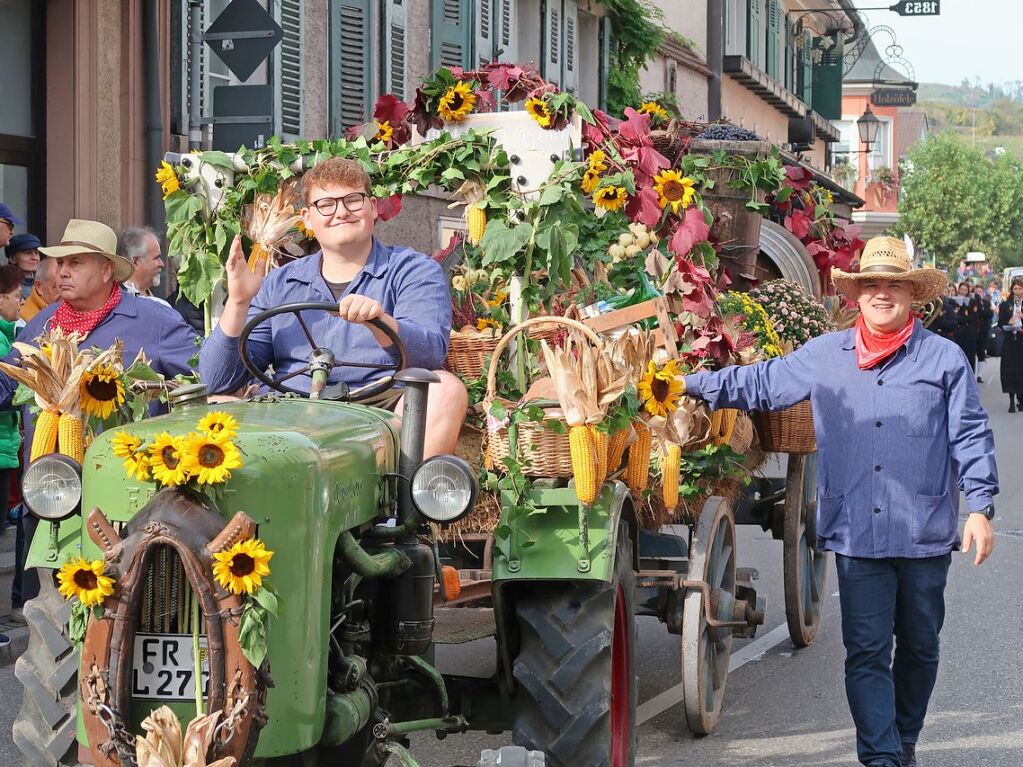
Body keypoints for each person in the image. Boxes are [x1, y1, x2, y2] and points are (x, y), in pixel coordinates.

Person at [680, 236, 997, 767]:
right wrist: (687, 384)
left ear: (912, 296)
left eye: (892, 285)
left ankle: (905, 739)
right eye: (871, 284)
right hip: (857, 532)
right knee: (868, 653)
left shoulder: (943, 360)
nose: (881, 294)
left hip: (923, 533)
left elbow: (970, 432)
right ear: (857, 295)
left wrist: (981, 507)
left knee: (920, 649)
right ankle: (882, 756)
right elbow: (761, 383)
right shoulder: (825, 356)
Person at [198, 157, 466, 457]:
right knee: (212, 406)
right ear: (308, 218)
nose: (341, 211)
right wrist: (238, 302)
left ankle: (405, 499)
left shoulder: (414, 270)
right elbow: (216, 381)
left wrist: (379, 322)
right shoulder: (279, 283)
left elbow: (429, 354)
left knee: (445, 389)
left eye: (353, 200)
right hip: (291, 407)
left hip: (378, 407)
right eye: (326, 204)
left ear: (373, 208)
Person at [0, 219, 200, 608]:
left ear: (107, 269)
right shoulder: (43, 324)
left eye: (76, 262)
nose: (63, 272)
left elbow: (201, 376)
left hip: (131, 502)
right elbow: (10, 386)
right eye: (61, 263)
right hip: (54, 499)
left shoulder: (153, 322)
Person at [118, 226, 170, 307]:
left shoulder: (158, 303)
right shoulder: (119, 303)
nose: (161, 264)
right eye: (156, 258)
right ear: (135, 262)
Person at [998, 277, 1023, 412]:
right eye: (1015, 289)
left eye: (1020, 289)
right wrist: (1009, 321)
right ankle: (1011, 400)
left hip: (1021, 342)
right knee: (1010, 370)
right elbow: (1001, 323)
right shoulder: (1005, 305)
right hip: (1010, 342)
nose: (1017, 291)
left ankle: (1021, 398)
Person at [950, 281, 983, 373]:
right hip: (958, 332)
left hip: (970, 333)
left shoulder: (972, 301)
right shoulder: (953, 301)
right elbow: (952, 315)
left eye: (965, 289)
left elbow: (973, 316)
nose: (963, 291)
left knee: (970, 356)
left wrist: (962, 318)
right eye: (961, 289)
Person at [20, 256, 59, 323]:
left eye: (67, 287)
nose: (65, 294)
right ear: (39, 287)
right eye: (57, 288)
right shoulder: (25, 320)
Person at [6, 232, 42, 299]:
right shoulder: (5, 285)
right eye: (28, 253)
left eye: (37, 253)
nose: (34, 258)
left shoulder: (43, 282)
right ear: (12, 259)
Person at [973, 284, 993, 382]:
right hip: (973, 331)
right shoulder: (971, 302)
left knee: (981, 353)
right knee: (972, 352)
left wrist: (982, 306)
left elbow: (989, 314)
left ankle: (979, 375)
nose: (978, 294)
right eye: (976, 292)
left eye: (980, 292)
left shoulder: (986, 303)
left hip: (982, 331)